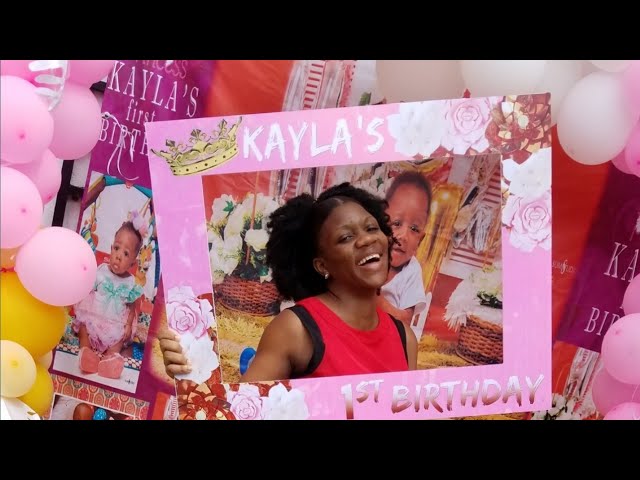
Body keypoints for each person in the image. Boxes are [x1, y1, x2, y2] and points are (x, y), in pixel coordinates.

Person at [159, 183, 417, 382]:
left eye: (371, 228)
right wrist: (192, 373)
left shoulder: (404, 338)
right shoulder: (296, 329)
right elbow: (235, 411)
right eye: (346, 237)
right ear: (322, 265)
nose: (367, 240)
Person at [73, 220, 144, 379]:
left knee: (118, 340)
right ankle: (86, 354)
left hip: (114, 323)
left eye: (126, 254)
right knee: (84, 327)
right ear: (111, 249)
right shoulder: (101, 271)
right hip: (95, 317)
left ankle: (109, 361)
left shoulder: (130, 282)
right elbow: (88, 289)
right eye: (117, 248)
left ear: (132, 263)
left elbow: (132, 305)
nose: (118, 256)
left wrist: (128, 324)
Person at [377, 171, 432, 326]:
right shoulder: (370, 254)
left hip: (386, 334)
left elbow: (405, 321)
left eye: (414, 229)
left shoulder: (411, 271)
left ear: (420, 240)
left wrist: (374, 299)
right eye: (396, 223)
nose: (403, 236)